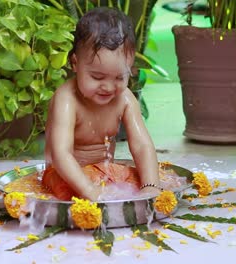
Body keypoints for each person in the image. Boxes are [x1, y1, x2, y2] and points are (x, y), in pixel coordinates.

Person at [43, 7, 160, 201]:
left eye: (120, 77)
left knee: (147, 177)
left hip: (105, 174)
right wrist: (90, 191)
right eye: (97, 77)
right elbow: (60, 154)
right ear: (75, 63)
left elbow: (141, 145)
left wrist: (151, 187)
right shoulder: (67, 100)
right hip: (65, 176)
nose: (108, 87)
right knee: (59, 189)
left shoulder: (125, 98)